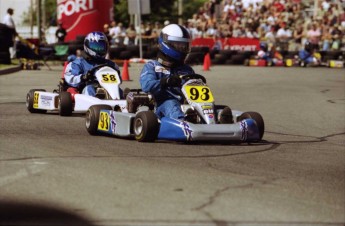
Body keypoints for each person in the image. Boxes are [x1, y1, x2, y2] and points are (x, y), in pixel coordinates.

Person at [139, 24, 232, 123]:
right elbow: (147, 86)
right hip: (162, 104)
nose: (182, 48)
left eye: (184, 45)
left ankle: (217, 117)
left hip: (186, 103)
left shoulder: (187, 69)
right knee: (171, 104)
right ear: (166, 44)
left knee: (208, 106)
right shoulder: (152, 66)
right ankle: (183, 122)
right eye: (179, 45)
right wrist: (165, 81)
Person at [64, 31, 121, 96]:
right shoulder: (78, 63)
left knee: (120, 91)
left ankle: (123, 103)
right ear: (87, 46)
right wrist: (83, 77)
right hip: (85, 90)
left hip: (107, 90)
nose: (98, 49)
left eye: (101, 47)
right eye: (95, 46)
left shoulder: (111, 65)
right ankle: (93, 103)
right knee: (89, 88)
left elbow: (119, 80)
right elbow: (70, 79)